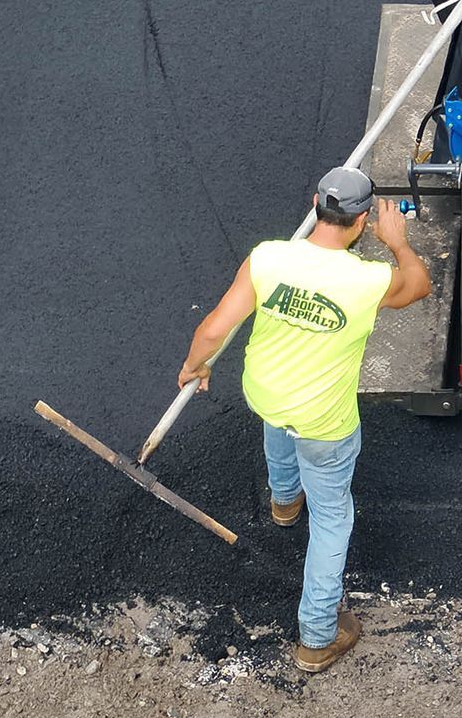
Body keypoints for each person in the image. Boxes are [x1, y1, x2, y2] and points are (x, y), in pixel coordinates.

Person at [177, 167, 432, 673]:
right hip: (323, 420)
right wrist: (398, 243)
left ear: (316, 202)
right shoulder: (369, 280)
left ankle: (283, 503)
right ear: (362, 222)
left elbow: (213, 329)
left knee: (278, 426)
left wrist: (194, 365)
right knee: (333, 516)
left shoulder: (268, 257)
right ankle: (317, 634)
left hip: (266, 393)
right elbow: (419, 286)